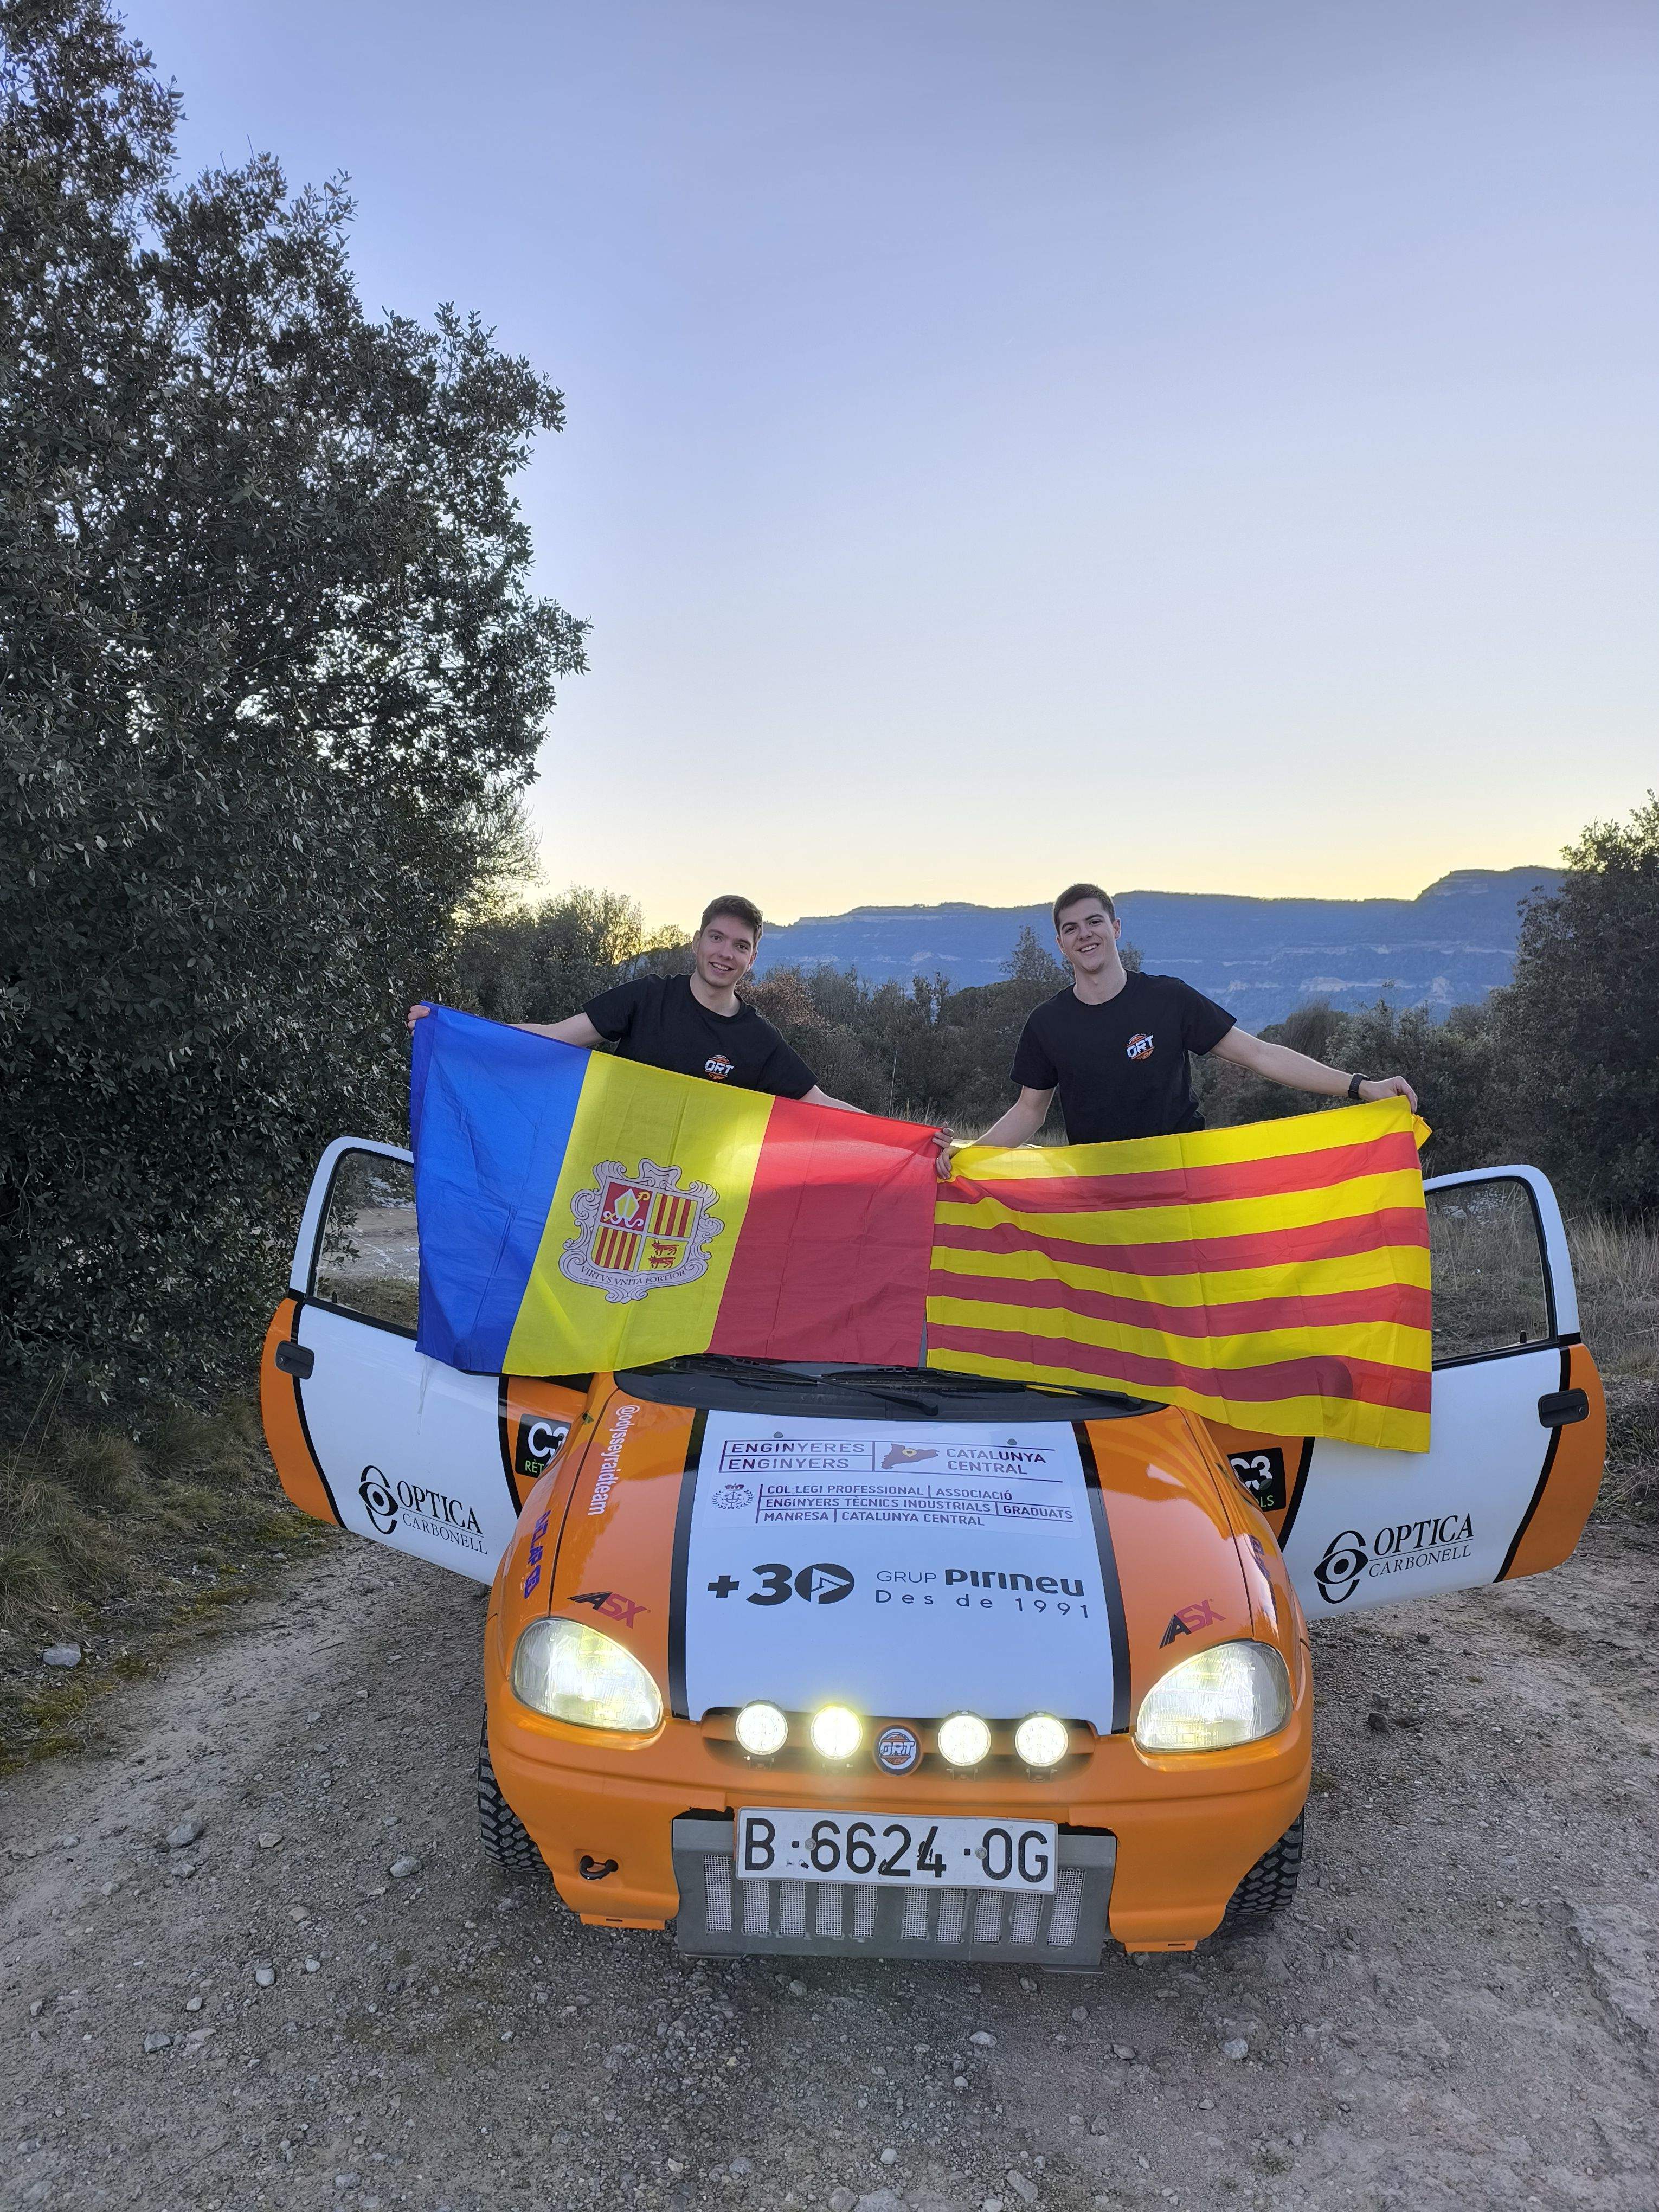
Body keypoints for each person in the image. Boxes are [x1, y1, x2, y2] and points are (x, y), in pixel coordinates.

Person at [410, 893, 953, 1169]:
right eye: (717, 938)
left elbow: (823, 1105)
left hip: (690, 1192)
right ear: (696, 942)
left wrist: (910, 1137)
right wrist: (458, 1031)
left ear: (753, 958)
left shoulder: (758, 1040)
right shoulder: (647, 998)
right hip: (604, 1168)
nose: (725, 953)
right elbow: (555, 1035)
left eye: (740, 946)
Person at [975, 882, 1418, 1152]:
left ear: (1116, 927)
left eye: (1094, 922)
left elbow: (1260, 1055)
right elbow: (1029, 1112)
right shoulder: (1047, 1024)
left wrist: (1361, 1086)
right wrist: (968, 1157)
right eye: (1071, 928)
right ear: (1060, 944)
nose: (1084, 934)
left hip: (1184, 1182)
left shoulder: (1169, 999)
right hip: (1099, 1194)